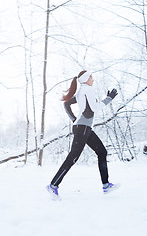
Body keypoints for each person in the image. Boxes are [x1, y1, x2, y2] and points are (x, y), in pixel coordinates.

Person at [46, 70, 119, 199]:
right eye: (91, 77)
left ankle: (106, 185)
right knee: (73, 157)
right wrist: (109, 99)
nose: (93, 79)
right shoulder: (87, 90)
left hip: (84, 128)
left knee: (102, 152)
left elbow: (67, 104)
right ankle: (53, 186)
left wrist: (74, 119)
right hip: (83, 128)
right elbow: (95, 107)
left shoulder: (82, 91)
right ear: (85, 79)